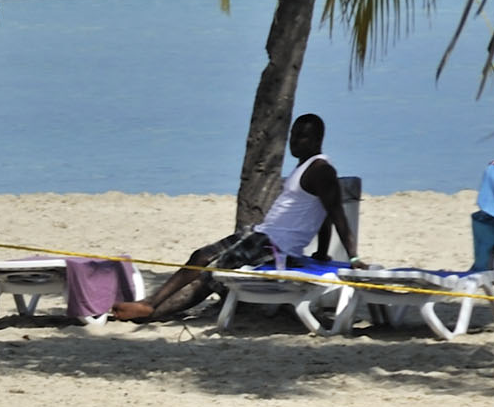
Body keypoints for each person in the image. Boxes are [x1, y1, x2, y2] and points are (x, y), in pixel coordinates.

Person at [116, 113, 349, 322]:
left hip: (275, 246)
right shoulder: (305, 167)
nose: (295, 141)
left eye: (303, 137)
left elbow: (335, 212)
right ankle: (148, 305)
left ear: (318, 139)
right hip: (262, 234)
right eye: (293, 135)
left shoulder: (321, 170)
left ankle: (150, 312)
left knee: (212, 276)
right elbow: (323, 212)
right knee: (200, 256)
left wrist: (354, 255)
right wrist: (322, 251)